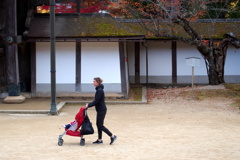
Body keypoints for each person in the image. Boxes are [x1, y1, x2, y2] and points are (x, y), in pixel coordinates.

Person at [85, 77, 117, 145]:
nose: (93, 83)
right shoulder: (99, 89)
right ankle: (100, 139)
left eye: (94, 81)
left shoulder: (99, 90)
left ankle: (112, 136)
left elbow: (96, 101)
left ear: (98, 82)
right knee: (98, 124)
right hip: (100, 109)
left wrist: (88, 105)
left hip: (102, 109)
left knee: (100, 125)